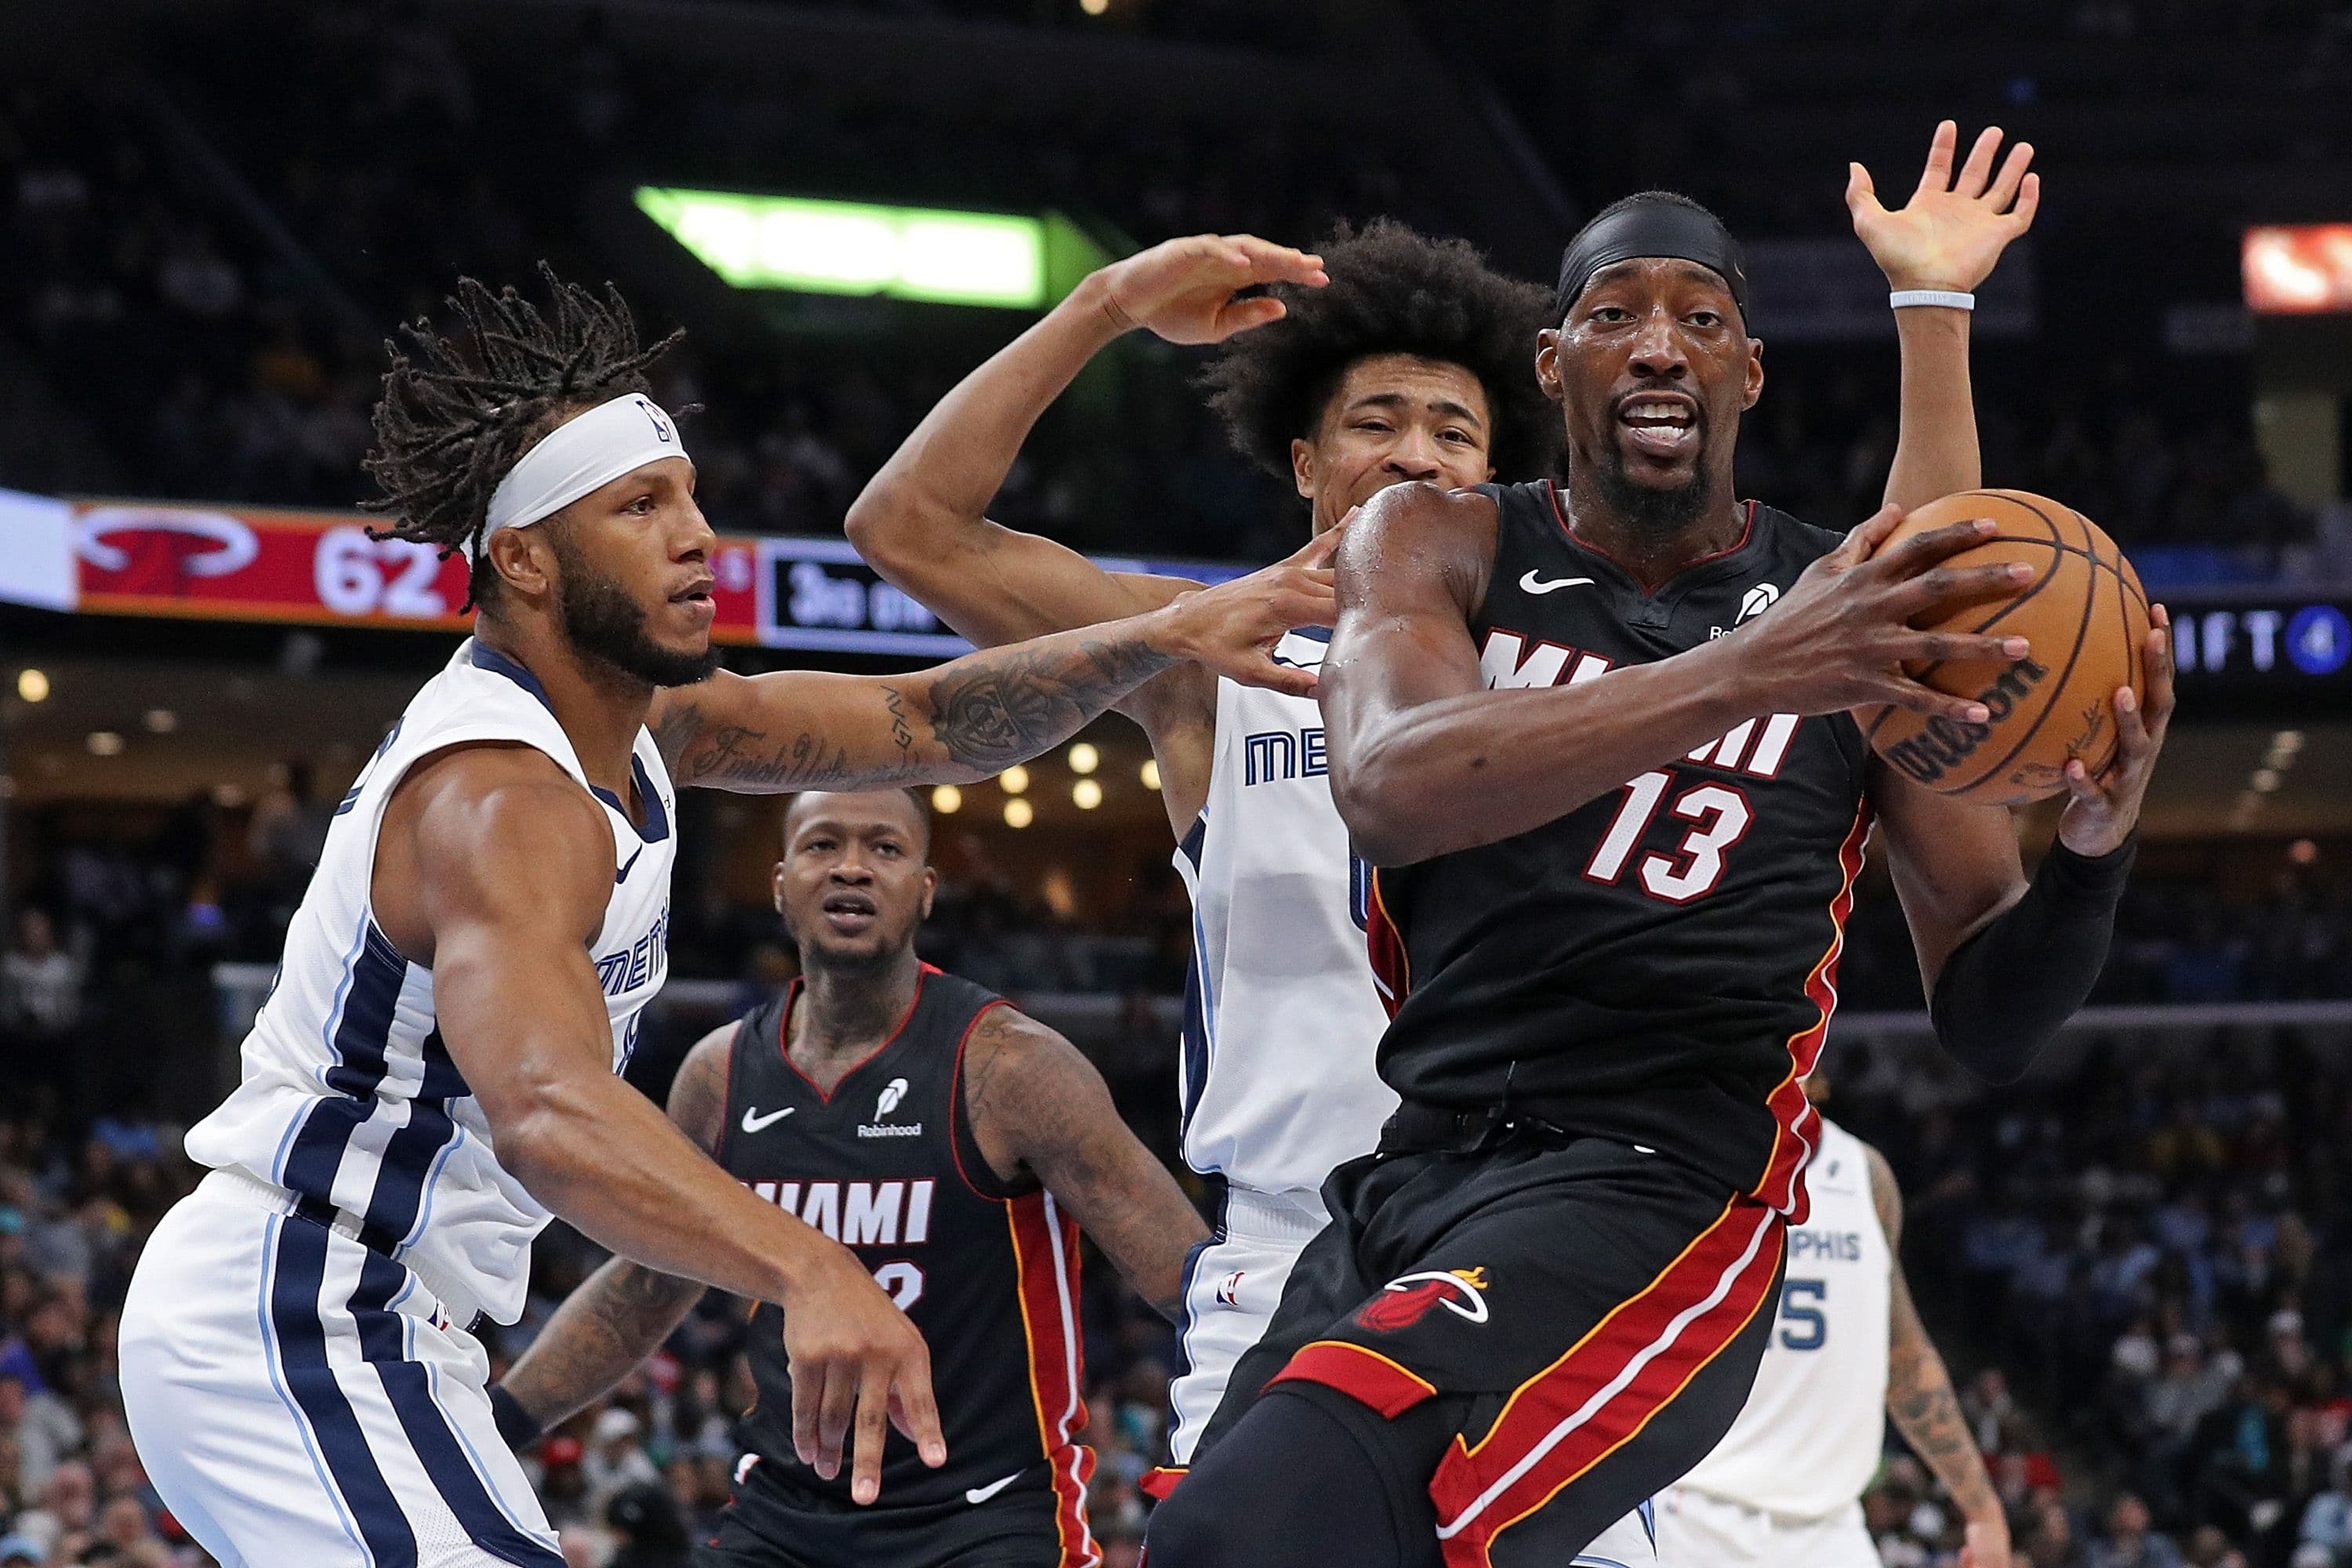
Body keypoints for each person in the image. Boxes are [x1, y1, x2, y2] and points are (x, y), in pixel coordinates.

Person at [113, 269, 1327, 1568]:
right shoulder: (500, 795)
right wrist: (813, 1269)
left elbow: (930, 722)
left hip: (399, 1324)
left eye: (689, 495)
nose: (696, 533)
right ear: (522, 559)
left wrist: (1172, 631)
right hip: (297, 1304)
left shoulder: (656, 726)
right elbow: (549, 1110)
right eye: (641, 507)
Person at [1146, 125, 2174, 1567]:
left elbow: (1993, 1017)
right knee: (1203, 1537)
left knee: (1276, 1525)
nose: (1658, 345)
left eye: (1702, 320)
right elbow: (1387, 783)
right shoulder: (1436, 542)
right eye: (1616, 314)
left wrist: (2095, 849)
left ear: (1748, 375)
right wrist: (1747, 677)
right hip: (1415, 1173)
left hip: (1663, 1192)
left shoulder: (1850, 612)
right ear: (1553, 365)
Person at [844, 216, 1563, 1482]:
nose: (1414, 451)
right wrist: (1105, 306)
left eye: (1454, 431)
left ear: (1497, 475)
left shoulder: (1568, 670)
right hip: (1288, 1258)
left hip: (1527, 1246)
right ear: (1303, 463)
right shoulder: (1207, 655)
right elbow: (907, 527)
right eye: (1375, 421)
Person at [492, 788, 1208, 1567]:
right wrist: (498, 1421)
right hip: (783, 1510)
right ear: (780, 882)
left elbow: (1188, 1277)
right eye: (823, 844)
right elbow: (646, 1287)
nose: (854, 868)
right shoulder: (720, 1075)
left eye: (886, 848)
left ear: (926, 890)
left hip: (985, 1512)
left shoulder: (1010, 1066)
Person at [1657, 1076, 2009, 1568]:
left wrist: (1981, 1506)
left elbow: (1904, 1358)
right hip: (1688, 1516)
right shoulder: (1674, 1161)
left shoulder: (1863, 1174)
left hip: (1831, 1527)